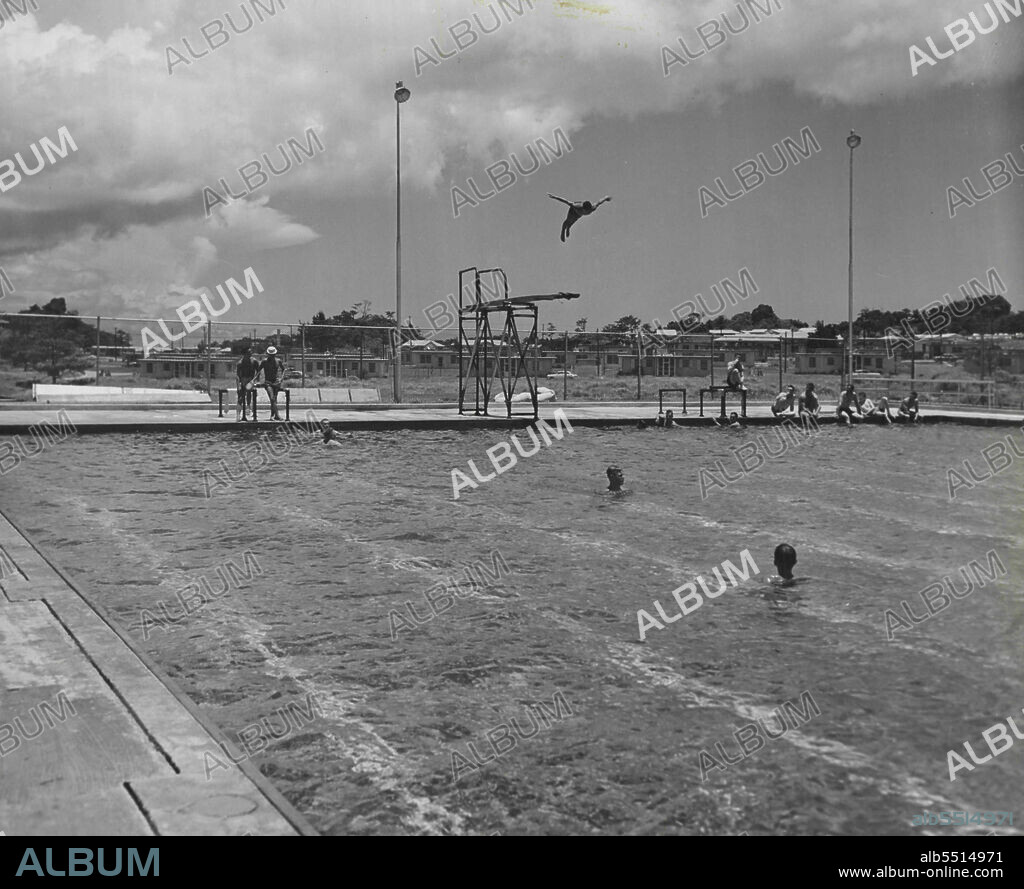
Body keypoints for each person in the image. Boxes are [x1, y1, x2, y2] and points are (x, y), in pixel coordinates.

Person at [259, 346, 285, 420]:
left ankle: (273, 415)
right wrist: (258, 380)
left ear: (275, 354)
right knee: (272, 398)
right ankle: (276, 415)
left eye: (273, 355)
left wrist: (281, 379)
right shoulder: (264, 361)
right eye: (270, 355)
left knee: (274, 399)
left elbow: (283, 370)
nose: (272, 356)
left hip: (276, 382)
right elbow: (258, 371)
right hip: (268, 382)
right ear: (267, 354)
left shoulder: (278, 361)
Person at [235, 348, 259, 422]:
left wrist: (255, 380)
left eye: (251, 352)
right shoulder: (240, 363)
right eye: (249, 353)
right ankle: (238, 414)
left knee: (249, 391)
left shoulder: (254, 361)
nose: (250, 354)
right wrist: (239, 385)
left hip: (251, 380)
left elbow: (258, 372)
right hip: (243, 380)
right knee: (241, 397)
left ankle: (248, 406)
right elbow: (238, 375)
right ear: (244, 354)